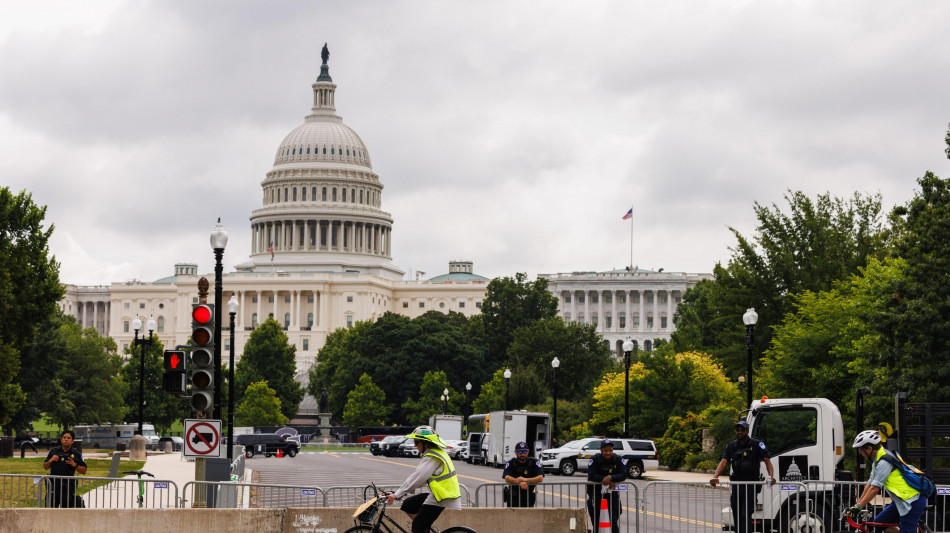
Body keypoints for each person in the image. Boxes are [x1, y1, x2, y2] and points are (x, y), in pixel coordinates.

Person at [849, 430, 929, 533]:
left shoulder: (884, 462)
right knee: (879, 523)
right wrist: (857, 505)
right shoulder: (877, 460)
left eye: (860, 449)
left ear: (869, 448)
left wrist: (859, 507)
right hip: (901, 501)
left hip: (912, 501)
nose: (859, 453)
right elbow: (870, 484)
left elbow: (874, 489)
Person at [386, 426, 462, 533]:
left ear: (425, 443)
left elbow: (417, 478)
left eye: (416, 442)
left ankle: (423, 528)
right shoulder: (436, 452)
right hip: (440, 493)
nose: (414, 445)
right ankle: (426, 529)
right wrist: (400, 493)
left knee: (417, 526)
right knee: (408, 505)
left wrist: (397, 494)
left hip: (441, 496)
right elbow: (422, 480)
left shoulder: (432, 457)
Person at [710, 420, 775, 533]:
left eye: (742, 430)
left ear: (747, 431)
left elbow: (767, 461)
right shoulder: (731, 446)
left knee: (746, 514)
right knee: (737, 514)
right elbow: (724, 461)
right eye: (738, 430)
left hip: (751, 485)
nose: (739, 432)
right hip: (737, 485)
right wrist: (715, 476)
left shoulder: (757, 444)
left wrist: (771, 476)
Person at [586, 439, 626, 533]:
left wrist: (611, 477)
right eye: (606, 450)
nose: (608, 452)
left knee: (613, 522)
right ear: (601, 451)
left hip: (612, 496)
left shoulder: (618, 459)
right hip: (596, 496)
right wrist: (605, 480)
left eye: (610, 450)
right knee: (597, 522)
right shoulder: (594, 459)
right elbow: (591, 475)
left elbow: (623, 474)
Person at [43, 430, 88, 508]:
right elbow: (45, 467)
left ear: (72, 441)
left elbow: (84, 471)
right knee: (50, 512)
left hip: (67, 488)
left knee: (66, 512)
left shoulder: (76, 453)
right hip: (53, 488)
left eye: (68, 438)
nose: (66, 439)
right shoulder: (54, 451)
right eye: (64, 437)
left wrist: (74, 465)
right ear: (61, 439)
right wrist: (51, 460)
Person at [502, 441, 544, 507]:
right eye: (520, 452)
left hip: (528, 496)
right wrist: (518, 482)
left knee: (528, 516)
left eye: (524, 452)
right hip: (513, 497)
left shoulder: (534, 462)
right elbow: (507, 477)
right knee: (513, 517)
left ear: (528, 452)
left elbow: (540, 478)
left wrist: (525, 480)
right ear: (515, 452)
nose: (522, 454)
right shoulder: (511, 463)